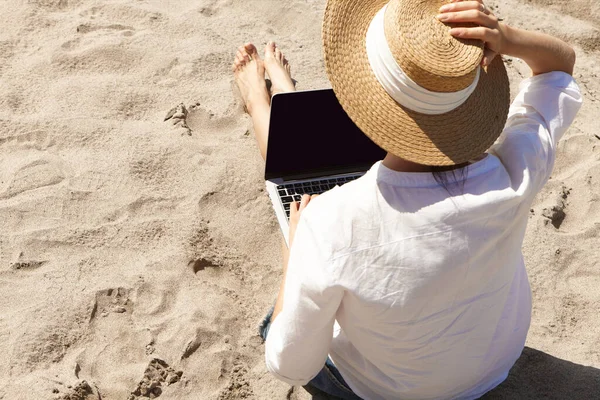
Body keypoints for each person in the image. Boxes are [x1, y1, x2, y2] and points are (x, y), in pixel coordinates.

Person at [232, 0, 582, 398]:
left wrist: (295, 253)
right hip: (489, 373)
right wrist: (506, 37)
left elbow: (290, 364)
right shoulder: (515, 173)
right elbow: (559, 67)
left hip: (385, 390)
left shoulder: (330, 222)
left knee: (297, 193)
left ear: (364, 99)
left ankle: (270, 102)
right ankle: (281, 97)